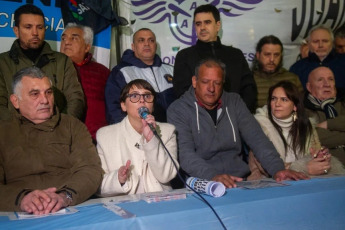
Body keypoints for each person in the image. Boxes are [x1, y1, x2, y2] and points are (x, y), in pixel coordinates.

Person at [167, 58, 307, 188]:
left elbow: (258, 139)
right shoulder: (178, 109)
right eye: (205, 82)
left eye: (217, 83)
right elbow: (185, 155)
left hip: (239, 181)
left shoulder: (234, 102)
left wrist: (278, 169)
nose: (211, 88)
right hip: (203, 184)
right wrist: (212, 177)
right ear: (194, 81)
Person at [0, 67, 102, 213]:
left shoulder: (72, 126)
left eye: (48, 92)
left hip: (71, 206)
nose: (45, 100)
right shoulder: (3, 132)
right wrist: (21, 199)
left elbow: (90, 170)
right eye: (35, 94)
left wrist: (65, 196)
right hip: (17, 213)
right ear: (15, 101)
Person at [0, 4, 85, 121]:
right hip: (15, 136)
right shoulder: (2, 63)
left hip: (56, 134)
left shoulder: (62, 61)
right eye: (28, 27)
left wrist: (59, 128)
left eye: (40, 27)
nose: (35, 33)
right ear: (16, 31)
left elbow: (76, 100)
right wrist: (19, 131)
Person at [97, 79, 178, 196]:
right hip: (124, 204)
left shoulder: (167, 131)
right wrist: (118, 179)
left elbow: (166, 175)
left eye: (147, 96)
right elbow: (98, 185)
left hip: (159, 201)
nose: (142, 100)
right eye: (134, 96)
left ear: (153, 105)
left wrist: (151, 140)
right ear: (123, 105)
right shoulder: (105, 136)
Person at [173, 4, 257, 113]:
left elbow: (248, 89)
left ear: (218, 25)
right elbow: (182, 94)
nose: (202, 28)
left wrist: (239, 115)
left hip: (236, 120)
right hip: (199, 122)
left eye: (207, 22)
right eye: (198, 24)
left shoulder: (235, 55)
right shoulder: (184, 56)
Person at [254, 81, 344, 178]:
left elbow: (315, 152)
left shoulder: (306, 125)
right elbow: (263, 166)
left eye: (284, 100)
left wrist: (319, 158)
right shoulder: (259, 125)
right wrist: (304, 168)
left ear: (295, 106)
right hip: (274, 181)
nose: (277, 104)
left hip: (304, 180)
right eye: (273, 99)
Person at [105, 28, 175, 124]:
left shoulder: (170, 70)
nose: (147, 44)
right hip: (140, 134)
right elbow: (114, 109)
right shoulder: (121, 73)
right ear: (133, 46)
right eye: (141, 40)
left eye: (151, 40)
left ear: (155, 45)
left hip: (172, 132)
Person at [60, 23, 110, 142]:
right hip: (61, 138)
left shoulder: (103, 72)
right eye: (63, 38)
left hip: (96, 139)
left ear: (87, 47)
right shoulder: (51, 69)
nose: (66, 42)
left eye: (74, 38)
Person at [304, 66, 345, 165]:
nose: (327, 84)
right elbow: (315, 137)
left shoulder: (343, 101)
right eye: (320, 80)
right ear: (309, 87)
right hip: (328, 167)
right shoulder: (302, 108)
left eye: (330, 79)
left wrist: (328, 124)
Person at [290, 25, 345, 96]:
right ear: (308, 44)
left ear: (332, 43)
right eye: (316, 41)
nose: (320, 45)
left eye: (325, 41)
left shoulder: (343, 63)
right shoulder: (297, 68)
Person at [253, 35, 303, 108]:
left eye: (276, 55)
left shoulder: (292, 79)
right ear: (258, 55)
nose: (272, 59)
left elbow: (301, 107)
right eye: (267, 54)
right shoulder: (249, 79)